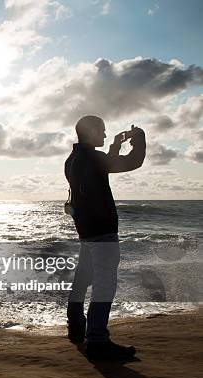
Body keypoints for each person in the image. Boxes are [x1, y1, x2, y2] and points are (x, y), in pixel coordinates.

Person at [64, 115, 146, 361]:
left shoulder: (73, 159)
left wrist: (114, 147)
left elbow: (105, 164)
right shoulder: (92, 158)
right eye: (102, 130)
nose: (105, 134)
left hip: (87, 232)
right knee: (104, 285)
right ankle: (97, 340)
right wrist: (139, 138)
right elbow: (133, 162)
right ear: (91, 132)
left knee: (83, 279)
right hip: (102, 231)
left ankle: (77, 326)